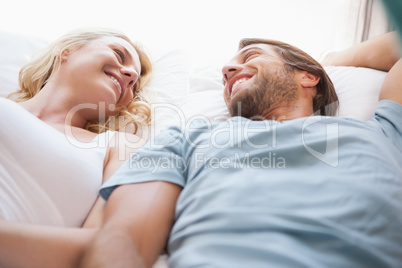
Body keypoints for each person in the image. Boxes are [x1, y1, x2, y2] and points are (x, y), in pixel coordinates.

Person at [79, 30, 402, 268]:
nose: (227, 71)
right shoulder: (185, 139)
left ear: (309, 76)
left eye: (250, 58)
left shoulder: (384, 131)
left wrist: (329, 62)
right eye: (225, 72)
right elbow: (125, 243)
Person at [0, 28, 152, 267]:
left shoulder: (119, 146)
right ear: (67, 51)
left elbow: (108, 244)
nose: (131, 74)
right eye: (119, 55)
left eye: (136, 83)